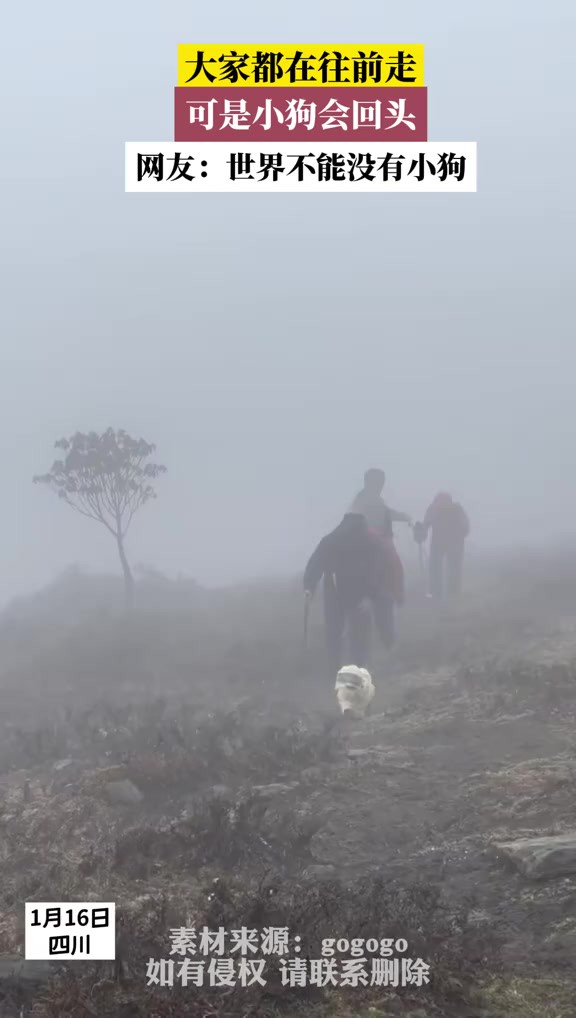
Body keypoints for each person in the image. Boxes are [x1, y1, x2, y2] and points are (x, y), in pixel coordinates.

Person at [303, 513, 396, 676]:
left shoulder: (331, 540)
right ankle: (358, 667)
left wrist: (309, 586)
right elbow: (379, 570)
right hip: (357, 591)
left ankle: (336, 668)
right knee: (358, 632)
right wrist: (372, 596)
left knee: (334, 631)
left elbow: (316, 563)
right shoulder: (369, 541)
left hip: (337, 589)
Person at [349, 468, 412, 604]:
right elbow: (385, 514)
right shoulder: (369, 499)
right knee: (395, 566)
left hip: (371, 539)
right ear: (372, 482)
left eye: (382, 482)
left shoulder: (364, 498)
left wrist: (403, 517)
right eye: (379, 482)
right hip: (376, 539)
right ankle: (396, 598)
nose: (381, 486)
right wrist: (403, 517)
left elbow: (385, 513)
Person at [414, 492, 470, 600]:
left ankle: (444, 595)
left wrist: (420, 533)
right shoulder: (451, 509)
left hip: (447, 542)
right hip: (447, 542)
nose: (442, 504)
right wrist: (420, 533)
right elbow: (466, 527)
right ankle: (446, 595)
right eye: (440, 501)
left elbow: (425, 526)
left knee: (447, 569)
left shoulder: (440, 509)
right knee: (446, 569)